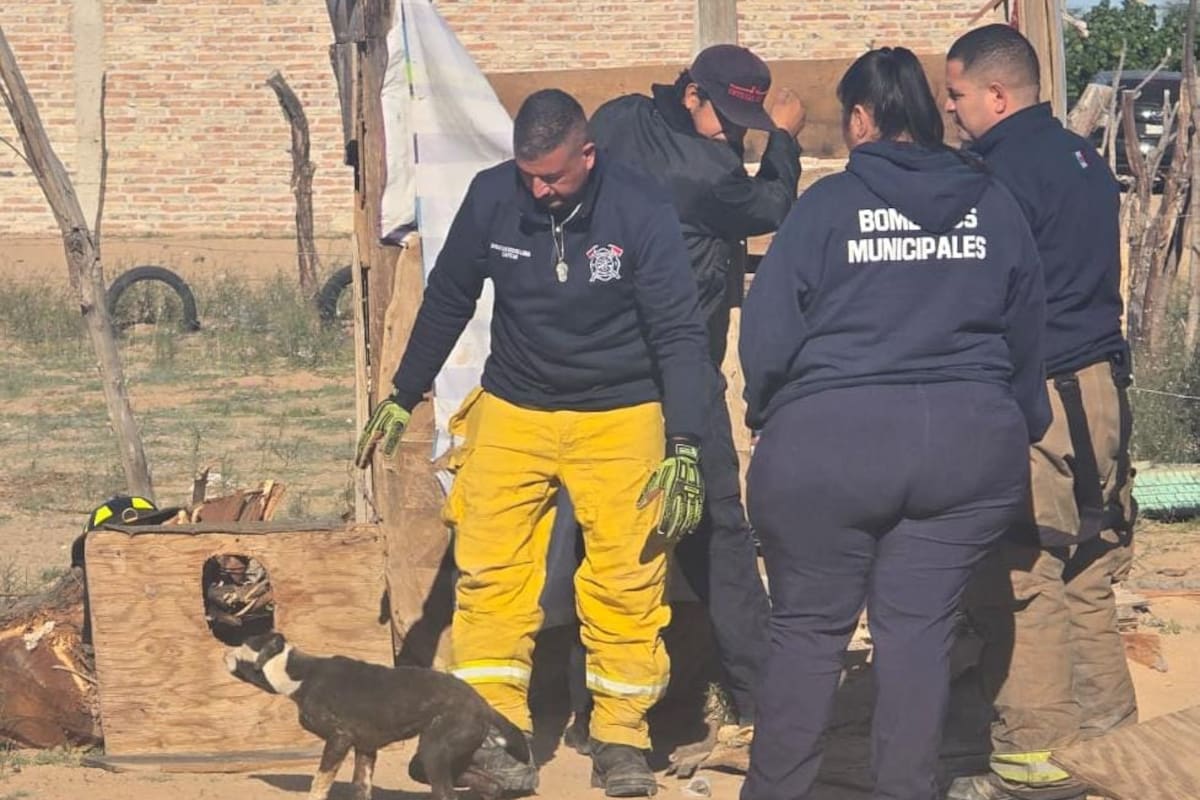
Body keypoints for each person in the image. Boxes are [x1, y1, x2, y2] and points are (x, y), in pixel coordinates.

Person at [354, 88, 712, 799]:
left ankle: (621, 740)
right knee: (491, 574)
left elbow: (677, 328)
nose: (540, 190)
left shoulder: (639, 206)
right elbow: (450, 296)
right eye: (529, 177)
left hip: (622, 413)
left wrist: (687, 441)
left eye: (553, 175)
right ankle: (496, 736)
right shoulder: (495, 198)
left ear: (587, 152)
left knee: (627, 581)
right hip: (515, 409)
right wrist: (402, 392)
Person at [737, 47, 1050, 800]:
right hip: (966, 450)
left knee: (809, 632)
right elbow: (1027, 335)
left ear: (861, 119)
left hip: (830, 448)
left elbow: (768, 334)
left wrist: (770, 411)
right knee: (917, 636)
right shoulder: (994, 205)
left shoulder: (827, 206)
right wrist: (1020, 421)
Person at [567, 43, 804, 756]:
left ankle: (592, 709)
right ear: (692, 93)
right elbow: (768, 206)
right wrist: (784, 139)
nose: (732, 132)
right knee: (720, 530)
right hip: (676, 374)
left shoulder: (615, 120)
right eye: (726, 116)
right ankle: (757, 693)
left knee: (599, 535)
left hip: (600, 367)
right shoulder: (707, 172)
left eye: (743, 122)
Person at [943, 24, 1136, 800]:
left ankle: (1034, 764)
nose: (951, 112)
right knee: (1090, 565)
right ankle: (1112, 744)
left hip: (1039, 399)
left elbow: (985, 294)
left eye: (956, 95)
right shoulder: (1083, 159)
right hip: (1101, 390)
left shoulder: (993, 176)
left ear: (996, 94)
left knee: (1025, 570)